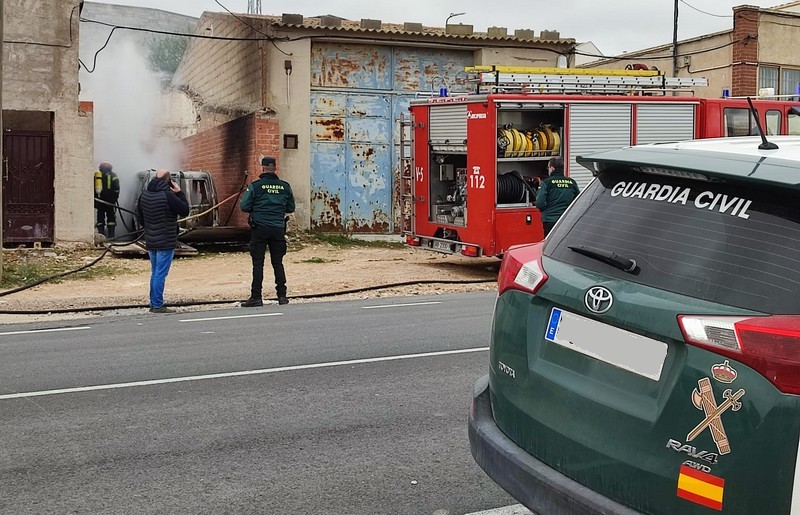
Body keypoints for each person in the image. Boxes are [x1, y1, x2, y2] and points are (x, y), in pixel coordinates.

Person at [240, 156, 295, 307]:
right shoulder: (285, 186)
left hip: (260, 228)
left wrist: (257, 208)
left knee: (258, 263)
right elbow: (290, 208)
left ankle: (256, 297)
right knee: (278, 263)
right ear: (275, 168)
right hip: (278, 228)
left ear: (262, 167)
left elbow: (244, 206)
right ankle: (282, 296)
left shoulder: (255, 186)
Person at [136, 169, 189, 313]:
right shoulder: (168, 195)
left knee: (155, 272)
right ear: (168, 180)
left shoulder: (144, 195)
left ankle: (154, 302)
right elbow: (185, 210)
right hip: (166, 240)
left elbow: (140, 217)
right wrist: (179, 192)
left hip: (151, 240)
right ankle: (157, 305)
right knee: (160, 273)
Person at [535, 156, 580, 237]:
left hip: (550, 220)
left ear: (552, 168)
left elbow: (540, 203)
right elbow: (578, 201)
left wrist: (546, 211)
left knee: (550, 245)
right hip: (566, 221)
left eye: (548, 167)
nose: (548, 170)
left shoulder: (546, 182)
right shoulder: (572, 182)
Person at [94, 161, 120, 238]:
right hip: (110, 201)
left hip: (100, 201)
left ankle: (101, 236)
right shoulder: (113, 175)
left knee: (100, 219)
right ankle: (111, 237)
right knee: (111, 219)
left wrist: (95, 200)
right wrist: (114, 199)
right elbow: (117, 188)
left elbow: (93, 188)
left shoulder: (98, 175)